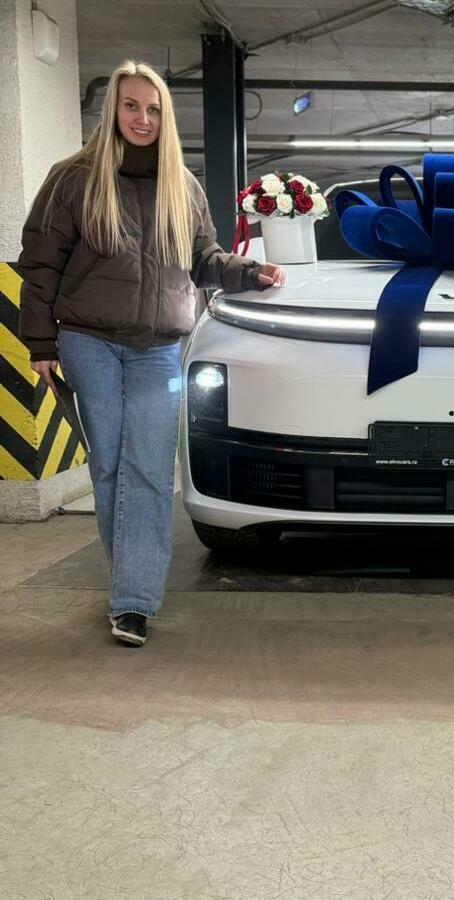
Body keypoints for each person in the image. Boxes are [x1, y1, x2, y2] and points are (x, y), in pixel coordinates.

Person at [18, 59, 286, 647]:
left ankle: (133, 601)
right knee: (110, 466)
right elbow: (40, 266)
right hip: (87, 340)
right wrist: (39, 342)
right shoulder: (72, 179)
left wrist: (252, 272)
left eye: (154, 109)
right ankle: (129, 590)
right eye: (132, 106)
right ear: (112, 109)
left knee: (148, 466)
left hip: (160, 348)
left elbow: (204, 259)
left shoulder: (181, 186)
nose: (143, 118)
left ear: (167, 117)